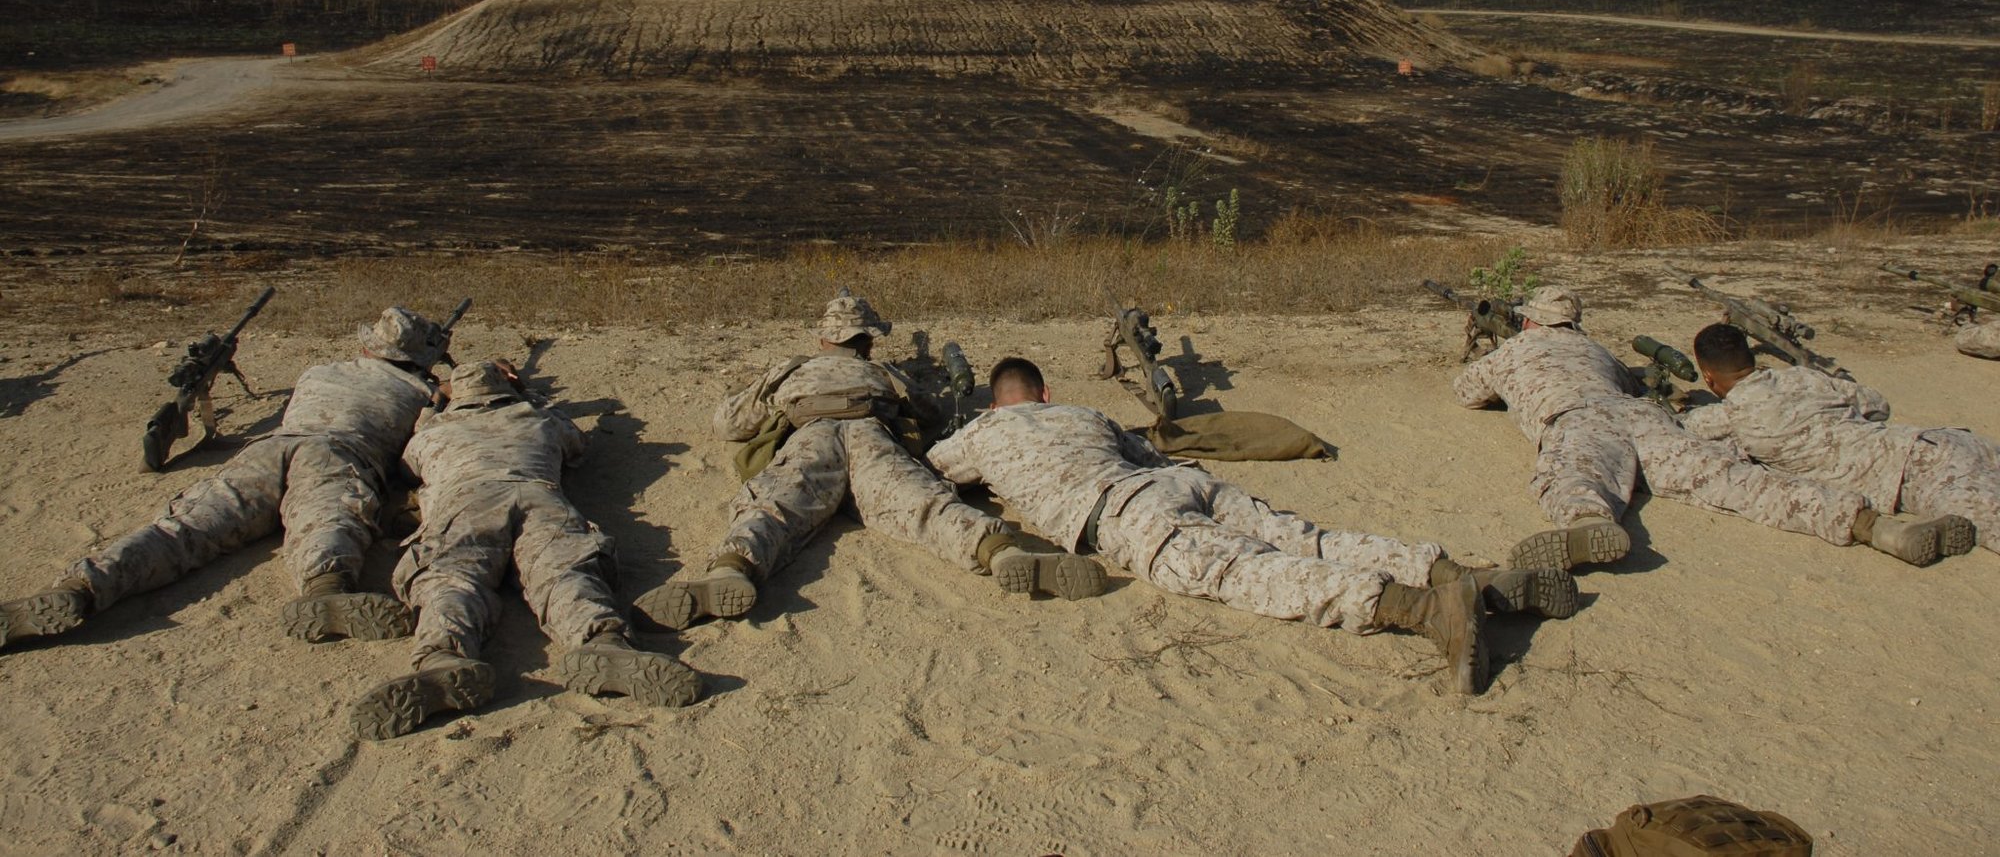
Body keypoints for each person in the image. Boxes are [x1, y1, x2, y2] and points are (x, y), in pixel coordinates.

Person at [926, 357, 1582, 697]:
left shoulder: (983, 431)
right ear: (1044, 394)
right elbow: (1149, 455)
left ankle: (1427, 611)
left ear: (994, 402)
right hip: (1180, 481)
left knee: (1254, 575)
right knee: (1309, 538)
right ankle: (1462, 574)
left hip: (1128, 519)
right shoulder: (1085, 414)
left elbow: (931, 470)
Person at [636, 291, 1103, 630]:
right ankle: (1000, 553)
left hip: (813, 439)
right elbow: (930, 411)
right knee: (926, 505)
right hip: (871, 439)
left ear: (823, 339)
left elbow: (730, 423)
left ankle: (731, 569)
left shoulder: (794, 370)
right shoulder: (881, 371)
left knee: (773, 507)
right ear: (868, 343)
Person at [0, 307, 450, 653]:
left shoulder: (319, 373)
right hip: (339, 454)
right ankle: (325, 589)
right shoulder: (420, 393)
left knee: (186, 527)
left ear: (370, 346)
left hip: (270, 449)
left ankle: (78, 589)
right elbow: (422, 453)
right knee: (330, 521)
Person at [1451, 286, 1965, 571]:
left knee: (1574, 477)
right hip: (1644, 417)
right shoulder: (1596, 349)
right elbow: (1630, 386)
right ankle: (1876, 527)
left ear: (1531, 323)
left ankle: (1589, 524)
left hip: (1578, 419)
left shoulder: (1517, 348)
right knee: (1741, 482)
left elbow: (1468, 393)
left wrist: (1497, 358)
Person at [350, 360, 701, 740]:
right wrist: (527, 394)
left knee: (450, 579)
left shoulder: (433, 432)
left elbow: (408, 469)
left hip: (465, 503)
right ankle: (603, 641)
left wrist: (435, 406)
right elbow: (577, 445)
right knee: (564, 570)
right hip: (537, 495)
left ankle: (441, 656)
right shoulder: (537, 418)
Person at [1682, 323, 1984, 555]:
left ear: (1708, 378)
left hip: (1909, 480)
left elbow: (1690, 427)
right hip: (1935, 441)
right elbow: (1877, 404)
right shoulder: (1803, 377)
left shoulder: (1727, 417)